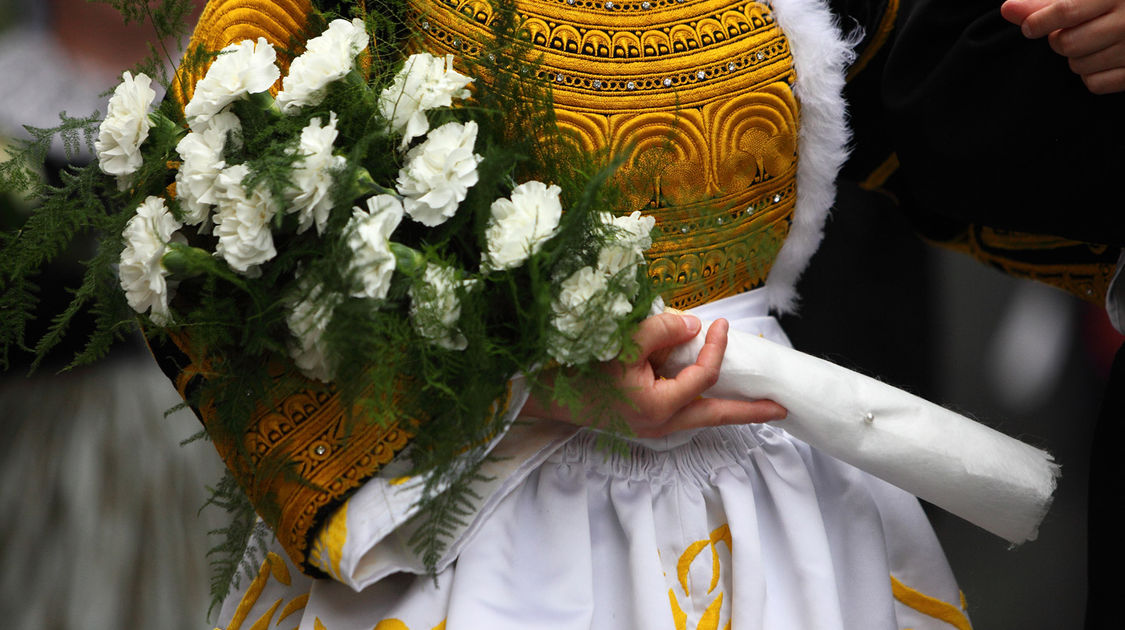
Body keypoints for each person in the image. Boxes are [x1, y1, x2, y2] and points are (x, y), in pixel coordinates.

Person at [180, 1, 981, 629]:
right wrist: (516, 375)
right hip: (473, 511)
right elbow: (201, 186)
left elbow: (949, 97)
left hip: (768, 503)